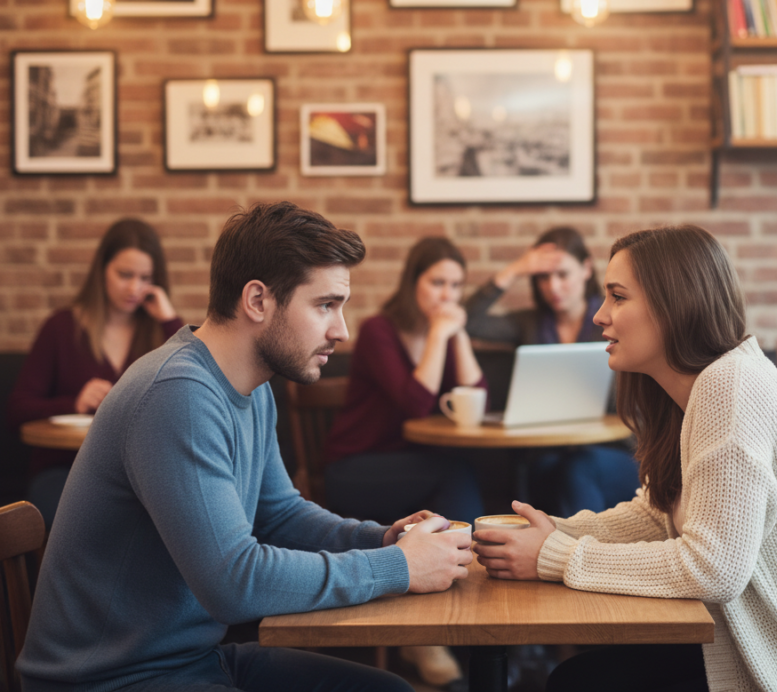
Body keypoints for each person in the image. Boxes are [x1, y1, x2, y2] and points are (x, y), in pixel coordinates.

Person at [17, 202, 472, 692]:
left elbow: (278, 515)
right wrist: (399, 567)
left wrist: (382, 540)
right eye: (325, 305)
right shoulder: (177, 394)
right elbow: (234, 583)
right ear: (257, 300)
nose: (341, 329)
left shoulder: (252, 389)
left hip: (189, 660)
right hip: (110, 680)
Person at [474, 225, 777, 692]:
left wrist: (554, 556)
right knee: (580, 679)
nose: (599, 316)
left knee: (579, 684)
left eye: (617, 297)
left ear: (672, 305)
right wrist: (557, 532)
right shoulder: (695, 390)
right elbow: (656, 516)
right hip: (769, 651)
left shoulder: (729, 386)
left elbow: (712, 569)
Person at [323, 236, 485, 692]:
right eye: (437, 282)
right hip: (356, 468)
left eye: (455, 285)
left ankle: (435, 628)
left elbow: (478, 397)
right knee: (455, 473)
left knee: (457, 472)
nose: (447, 296)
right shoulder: (379, 330)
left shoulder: (448, 333)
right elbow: (416, 404)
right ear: (414, 281)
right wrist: (439, 334)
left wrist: (462, 336)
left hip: (414, 467)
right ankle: (460, 611)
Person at [7, 218, 183, 528]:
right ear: (101, 269)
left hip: (138, 474)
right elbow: (17, 409)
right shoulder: (61, 328)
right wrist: (74, 403)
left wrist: (169, 320)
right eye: (124, 275)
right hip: (64, 470)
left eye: (145, 278)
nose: (134, 288)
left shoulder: (159, 335)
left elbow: (190, 395)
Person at [465, 226, 639, 516]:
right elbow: (467, 321)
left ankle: (578, 555)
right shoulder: (530, 323)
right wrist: (516, 270)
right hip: (547, 453)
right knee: (543, 469)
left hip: (611, 449)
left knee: (579, 467)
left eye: (562, 275)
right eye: (543, 277)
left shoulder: (615, 320)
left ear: (585, 269)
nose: (553, 287)